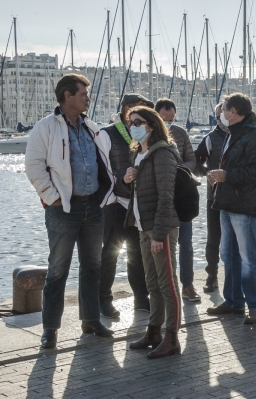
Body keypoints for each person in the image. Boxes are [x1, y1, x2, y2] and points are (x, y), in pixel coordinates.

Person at [25, 74, 115, 349]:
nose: (88, 98)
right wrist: (52, 197)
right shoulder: (45, 127)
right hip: (63, 209)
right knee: (58, 270)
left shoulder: (90, 127)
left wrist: (104, 196)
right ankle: (50, 328)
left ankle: (90, 320)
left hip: (92, 207)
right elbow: (34, 166)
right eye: (83, 94)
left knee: (92, 267)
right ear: (67, 96)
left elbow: (103, 161)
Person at [206, 93, 256, 325]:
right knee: (229, 255)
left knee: (247, 257)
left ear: (233, 112)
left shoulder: (254, 134)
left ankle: (255, 305)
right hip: (227, 202)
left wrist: (227, 176)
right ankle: (233, 301)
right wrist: (220, 179)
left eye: (224, 109)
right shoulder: (234, 133)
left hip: (244, 205)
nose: (221, 113)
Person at [125, 106, 182, 359]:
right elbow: (141, 192)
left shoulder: (163, 153)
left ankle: (172, 337)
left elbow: (166, 196)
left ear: (152, 124)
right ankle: (154, 331)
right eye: (130, 122)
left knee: (167, 284)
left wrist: (159, 234)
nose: (133, 126)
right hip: (142, 226)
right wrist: (126, 178)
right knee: (152, 284)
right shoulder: (139, 153)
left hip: (160, 228)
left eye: (138, 122)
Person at [98, 93, 154, 318]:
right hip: (113, 203)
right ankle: (103, 300)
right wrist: (121, 180)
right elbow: (101, 168)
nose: (144, 118)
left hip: (136, 202)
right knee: (109, 254)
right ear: (128, 109)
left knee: (137, 252)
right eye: (141, 112)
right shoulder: (107, 134)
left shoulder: (141, 133)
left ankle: (141, 298)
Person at [155, 98, 199, 302]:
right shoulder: (149, 134)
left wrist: (180, 171)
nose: (169, 125)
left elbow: (192, 159)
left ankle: (187, 285)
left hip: (181, 195)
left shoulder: (181, 133)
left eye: (171, 120)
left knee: (186, 243)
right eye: (165, 121)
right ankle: (163, 287)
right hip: (159, 197)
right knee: (160, 244)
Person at [194, 103, 228, 293]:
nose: (220, 117)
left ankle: (234, 276)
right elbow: (195, 162)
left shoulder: (241, 136)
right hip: (214, 197)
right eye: (218, 115)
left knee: (237, 240)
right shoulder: (211, 138)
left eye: (223, 113)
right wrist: (206, 173)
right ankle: (212, 275)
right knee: (213, 239)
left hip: (236, 198)